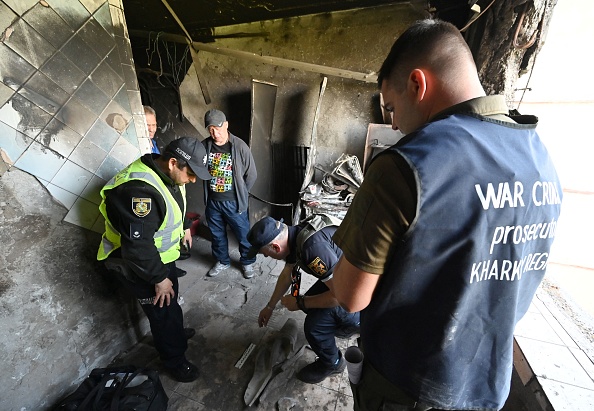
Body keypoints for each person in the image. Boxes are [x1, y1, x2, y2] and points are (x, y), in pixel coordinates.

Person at [330, 19, 562, 411]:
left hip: (407, 389)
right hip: (486, 389)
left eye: (391, 107)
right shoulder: (541, 160)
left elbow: (351, 297)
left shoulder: (406, 165)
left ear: (418, 85)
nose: (394, 123)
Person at [97, 137, 212, 382]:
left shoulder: (166, 175)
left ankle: (176, 334)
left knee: (171, 305)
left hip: (160, 258)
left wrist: (184, 230)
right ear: (173, 163)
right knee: (162, 312)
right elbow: (137, 248)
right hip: (140, 265)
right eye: (191, 174)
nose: (192, 180)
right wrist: (159, 278)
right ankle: (175, 360)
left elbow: (173, 206)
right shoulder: (138, 193)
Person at [247, 215, 360, 384]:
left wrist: (300, 303)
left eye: (266, 254)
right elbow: (287, 273)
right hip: (343, 277)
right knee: (311, 305)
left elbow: (340, 297)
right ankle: (336, 325)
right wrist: (270, 307)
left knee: (313, 326)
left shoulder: (311, 250)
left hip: (357, 294)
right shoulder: (295, 236)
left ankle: (333, 363)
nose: (265, 257)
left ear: (276, 247)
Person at [202, 109, 258, 279]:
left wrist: (240, 193)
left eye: (218, 128)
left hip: (234, 201)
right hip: (213, 201)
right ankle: (222, 261)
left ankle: (247, 262)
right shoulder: (204, 145)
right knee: (217, 234)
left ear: (226, 125)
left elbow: (252, 174)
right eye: (210, 129)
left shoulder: (239, 146)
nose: (214, 132)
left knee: (243, 235)